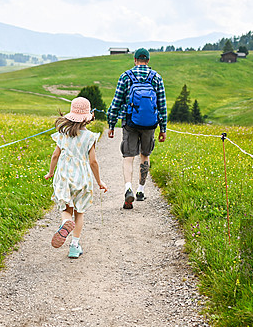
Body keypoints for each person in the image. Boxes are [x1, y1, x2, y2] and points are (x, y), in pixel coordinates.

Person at [44, 97, 108, 258]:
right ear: (88, 117)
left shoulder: (63, 134)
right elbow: (93, 161)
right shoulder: (90, 137)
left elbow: (55, 156)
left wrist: (50, 172)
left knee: (67, 209)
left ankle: (65, 222)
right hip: (82, 178)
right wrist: (99, 181)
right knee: (79, 212)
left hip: (64, 177)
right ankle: (74, 246)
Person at [106, 48, 167, 209]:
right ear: (148, 60)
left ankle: (128, 188)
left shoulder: (125, 76)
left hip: (129, 122)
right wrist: (163, 129)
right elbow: (162, 105)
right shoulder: (157, 78)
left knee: (128, 157)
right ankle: (141, 190)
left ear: (135, 60)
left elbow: (116, 102)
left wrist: (111, 124)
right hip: (150, 124)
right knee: (145, 155)